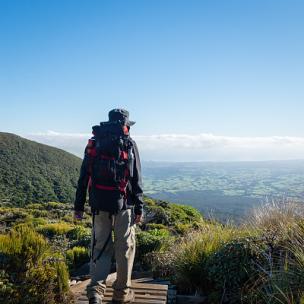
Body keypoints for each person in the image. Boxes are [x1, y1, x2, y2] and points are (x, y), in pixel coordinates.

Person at [74, 108, 144, 304]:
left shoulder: (95, 143)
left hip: (99, 205)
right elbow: (136, 178)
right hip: (124, 206)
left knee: (100, 249)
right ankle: (122, 294)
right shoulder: (129, 143)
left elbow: (83, 176)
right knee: (125, 249)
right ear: (125, 125)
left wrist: (78, 207)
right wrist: (139, 207)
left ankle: (95, 293)